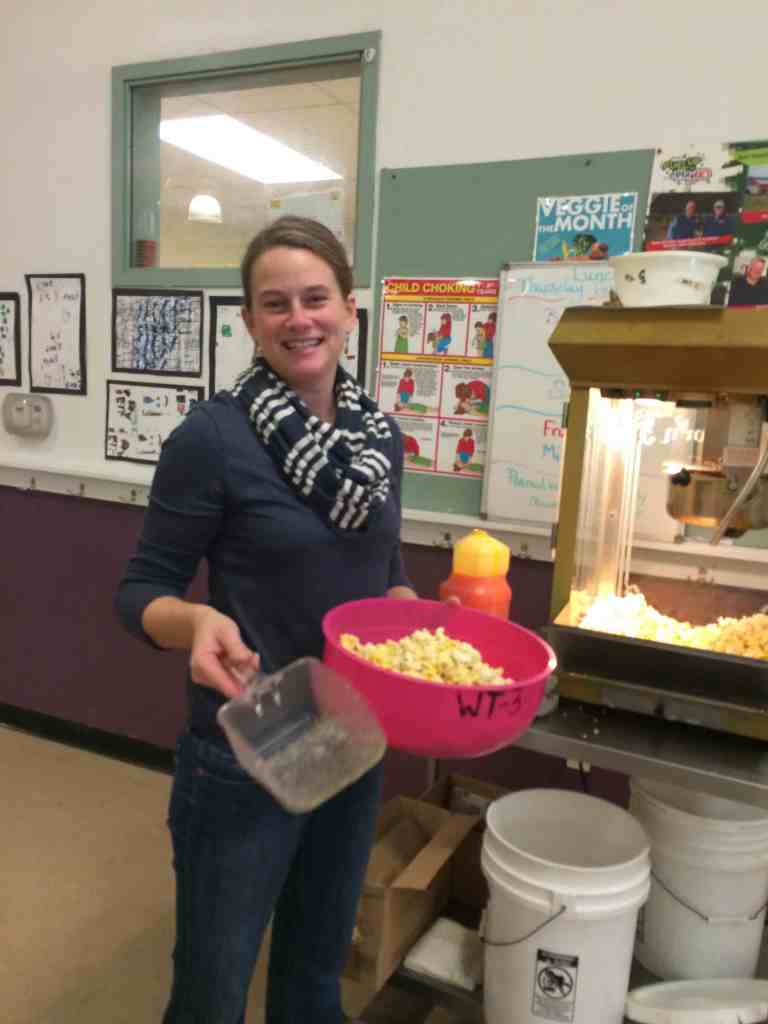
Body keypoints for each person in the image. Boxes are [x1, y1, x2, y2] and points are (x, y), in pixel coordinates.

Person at [115, 216, 419, 1024]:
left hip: (351, 735)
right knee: (214, 990)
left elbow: (381, 565)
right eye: (274, 303)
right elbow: (139, 589)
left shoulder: (378, 440)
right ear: (249, 321)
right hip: (248, 746)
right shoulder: (212, 439)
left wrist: (408, 611)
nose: (299, 318)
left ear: (350, 309)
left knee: (317, 970)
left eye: (316, 297)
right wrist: (196, 622)